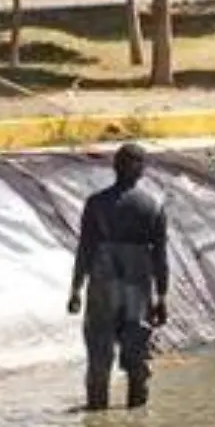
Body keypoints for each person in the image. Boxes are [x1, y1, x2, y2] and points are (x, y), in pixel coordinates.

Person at [66, 144, 169, 411]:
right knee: (137, 351)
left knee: (99, 350)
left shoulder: (97, 203)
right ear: (142, 171)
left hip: (103, 279)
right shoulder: (153, 206)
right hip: (138, 283)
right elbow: (160, 257)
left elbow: (85, 249)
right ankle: (137, 412)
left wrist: (76, 289)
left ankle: (97, 412)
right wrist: (162, 297)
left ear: (114, 167)